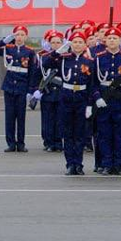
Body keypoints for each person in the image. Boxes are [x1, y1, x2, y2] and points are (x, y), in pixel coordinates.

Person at [42, 30, 96, 175]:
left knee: (79, 133)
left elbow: (92, 84)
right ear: (70, 44)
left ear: (85, 45)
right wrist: (58, 51)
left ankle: (78, 164)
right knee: (68, 133)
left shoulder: (90, 62)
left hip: (82, 98)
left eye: (80, 42)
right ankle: (70, 164)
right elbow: (46, 64)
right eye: (74, 42)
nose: (77, 44)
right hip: (66, 97)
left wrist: (90, 104)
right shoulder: (63, 59)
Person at [0, 25, 37, 152]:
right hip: (9, 86)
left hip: (22, 87)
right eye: (17, 35)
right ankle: (10, 143)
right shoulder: (8, 48)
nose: (19, 37)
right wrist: (3, 41)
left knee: (21, 116)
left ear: (26, 37)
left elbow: (32, 72)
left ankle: (21, 143)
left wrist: (30, 91)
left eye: (21, 35)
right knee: (9, 116)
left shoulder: (30, 51)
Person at [93, 29, 121, 175]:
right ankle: (106, 163)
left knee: (120, 134)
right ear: (105, 40)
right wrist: (97, 97)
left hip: (120, 99)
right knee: (104, 134)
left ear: (120, 40)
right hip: (104, 98)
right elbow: (94, 82)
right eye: (109, 38)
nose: (112, 41)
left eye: (115, 38)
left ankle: (118, 164)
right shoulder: (99, 58)